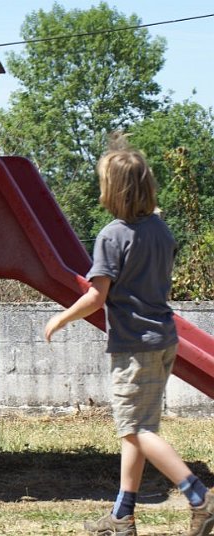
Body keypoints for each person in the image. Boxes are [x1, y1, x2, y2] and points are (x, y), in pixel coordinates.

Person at [44, 143, 213, 536]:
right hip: (163, 339)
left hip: (134, 346)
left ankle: (199, 497)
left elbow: (97, 295)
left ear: (112, 190)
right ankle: (122, 516)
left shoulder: (112, 236)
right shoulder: (160, 230)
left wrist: (61, 318)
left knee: (136, 430)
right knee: (137, 429)